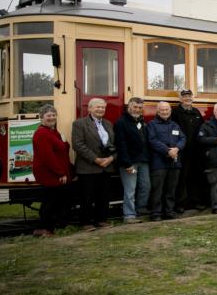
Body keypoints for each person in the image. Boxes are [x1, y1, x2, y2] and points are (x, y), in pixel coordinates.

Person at [71, 98, 116, 231]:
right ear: (89, 109)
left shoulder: (108, 124)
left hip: (106, 166)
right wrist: (96, 159)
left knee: (103, 196)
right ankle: (86, 223)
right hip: (88, 167)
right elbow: (78, 145)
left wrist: (112, 158)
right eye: (98, 107)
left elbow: (115, 144)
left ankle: (101, 220)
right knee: (87, 197)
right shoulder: (79, 124)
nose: (101, 109)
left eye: (103, 107)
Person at [31, 104, 74, 237]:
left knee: (56, 200)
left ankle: (53, 226)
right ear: (41, 117)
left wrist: (64, 140)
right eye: (48, 115)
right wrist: (59, 173)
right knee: (50, 201)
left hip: (57, 172)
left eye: (54, 115)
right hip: (49, 173)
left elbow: (64, 148)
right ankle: (42, 228)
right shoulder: (41, 134)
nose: (52, 117)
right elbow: (47, 157)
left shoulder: (53, 132)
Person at [147, 101, 187, 221]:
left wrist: (177, 148)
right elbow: (152, 140)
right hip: (159, 162)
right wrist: (167, 151)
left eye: (167, 110)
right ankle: (156, 213)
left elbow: (183, 138)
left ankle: (169, 211)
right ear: (158, 111)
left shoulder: (175, 125)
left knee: (171, 188)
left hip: (174, 162)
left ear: (170, 111)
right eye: (162, 110)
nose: (165, 112)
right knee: (157, 189)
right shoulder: (151, 125)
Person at [114, 97, 151, 224]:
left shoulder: (141, 121)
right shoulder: (121, 122)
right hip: (129, 162)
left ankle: (140, 210)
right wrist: (127, 164)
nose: (137, 109)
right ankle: (129, 215)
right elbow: (121, 145)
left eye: (140, 108)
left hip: (143, 161)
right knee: (130, 189)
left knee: (146, 187)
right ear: (129, 107)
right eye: (135, 107)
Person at [171, 89, 204, 211]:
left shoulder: (196, 112)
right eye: (184, 97)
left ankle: (195, 202)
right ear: (180, 99)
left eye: (189, 96)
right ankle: (180, 204)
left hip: (196, 151)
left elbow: (202, 129)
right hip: (182, 151)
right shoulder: (175, 113)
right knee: (182, 177)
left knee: (195, 177)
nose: (187, 99)